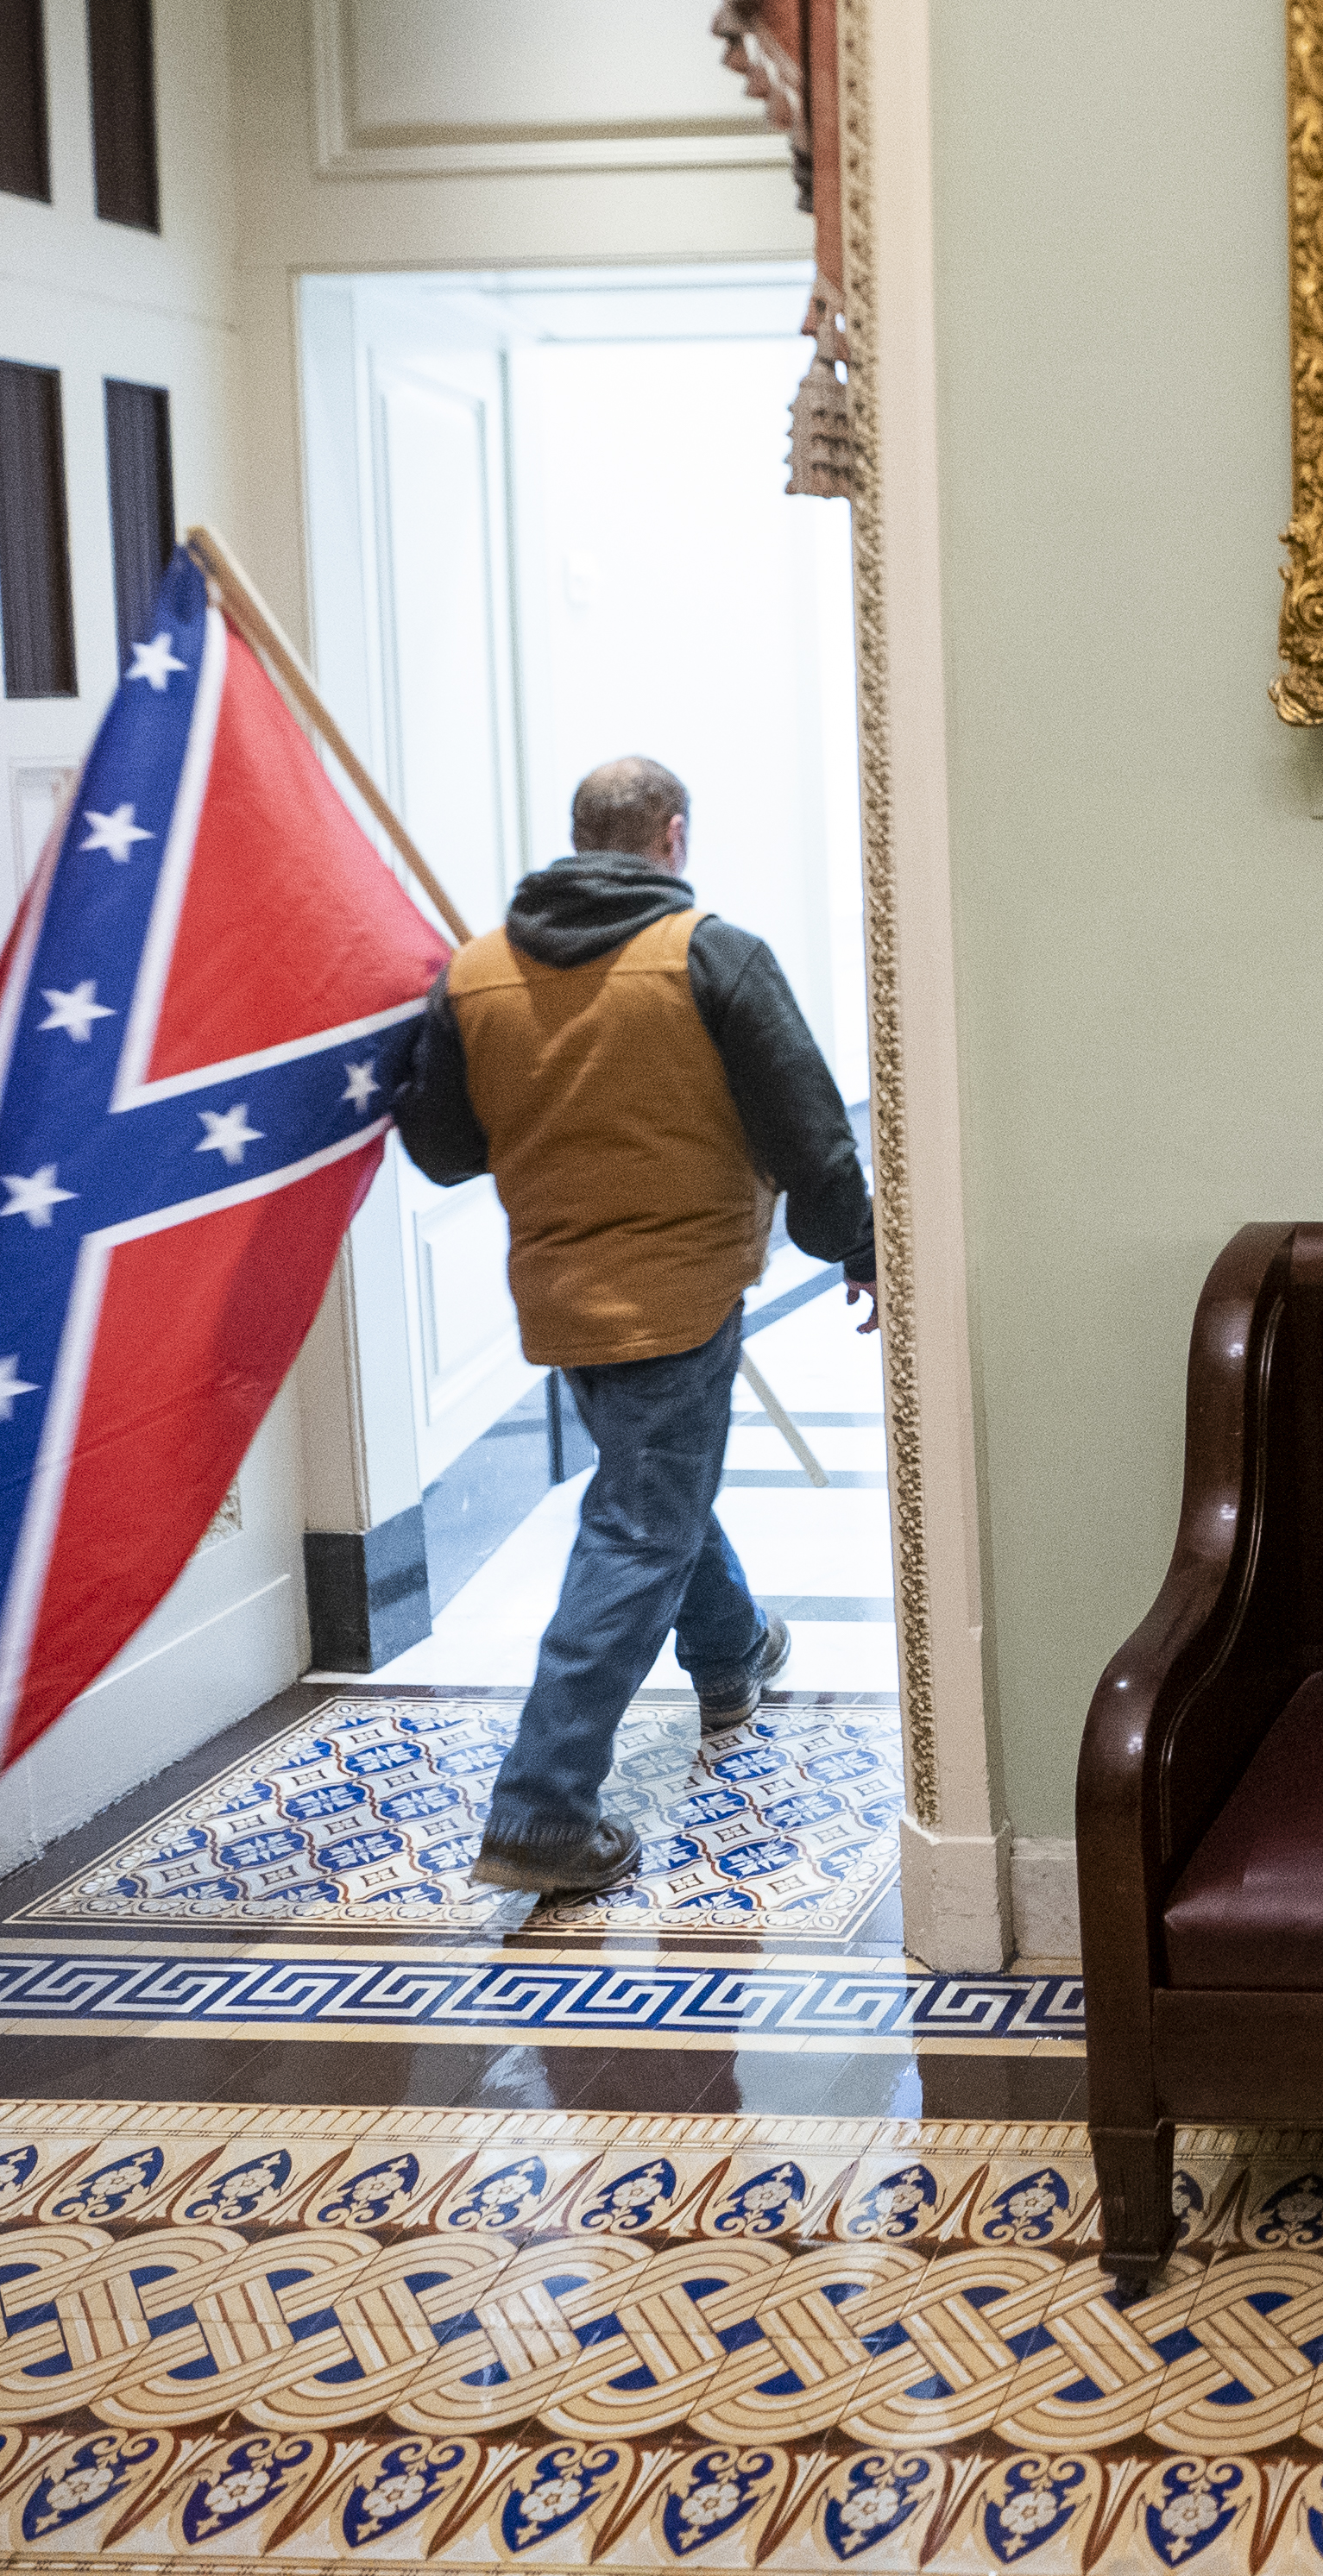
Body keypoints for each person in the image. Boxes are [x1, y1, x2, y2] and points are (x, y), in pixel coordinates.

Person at [394, 755, 875, 1897]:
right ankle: (544, 1806)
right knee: (637, 1527)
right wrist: (856, 1245)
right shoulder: (711, 955)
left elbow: (445, 1149)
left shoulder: (477, 975)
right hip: (682, 1290)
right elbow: (810, 1127)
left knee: (650, 1487)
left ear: (577, 838)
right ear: (671, 835)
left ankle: (729, 1650)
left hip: (558, 1295)